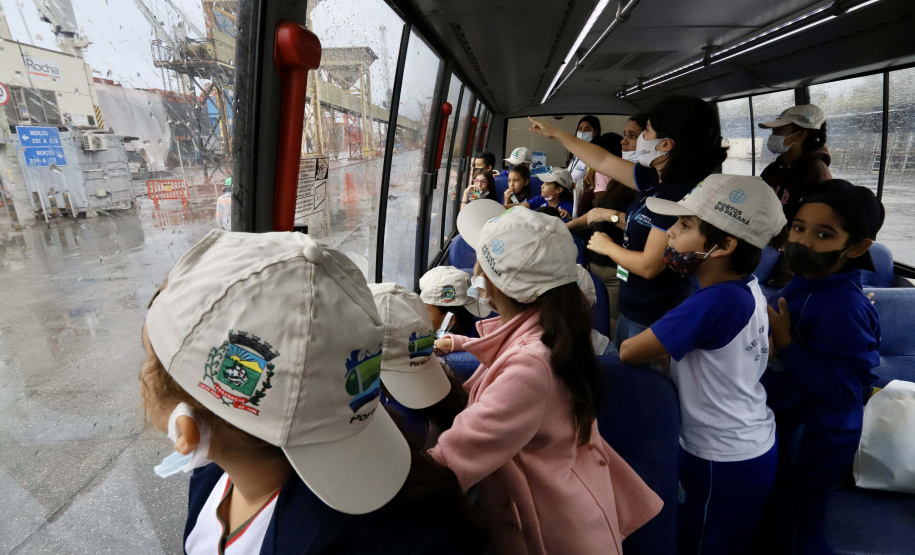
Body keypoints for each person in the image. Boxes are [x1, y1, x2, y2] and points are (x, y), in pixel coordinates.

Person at [142, 230, 485, 554]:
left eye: (148, 359)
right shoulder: (216, 470)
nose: (143, 372)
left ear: (186, 429)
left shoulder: (396, 540)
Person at [432, 200, 663, 555]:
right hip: (570, 514)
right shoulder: (556, 329)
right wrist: (458, 343)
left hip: (553, 538)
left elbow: (450, 462)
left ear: (489, 283)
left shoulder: (530, 369)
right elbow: (508, 344)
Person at [618, 175, 787, 555]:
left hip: (719, 455)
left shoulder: (712, 303)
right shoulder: (747, 288)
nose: (670, 233)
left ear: (724, 245)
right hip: (749, 440)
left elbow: (629, 351)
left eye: (684, 225)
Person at [529, 96, 728, 345]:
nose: (642, 137)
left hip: (653, 313)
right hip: (633, 303)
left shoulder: (679, 195)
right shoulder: (655, 179)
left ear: (665, 144)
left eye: (646, 130)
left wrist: (607, 247)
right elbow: (602, 161)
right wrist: (557, 134)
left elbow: (649, 266)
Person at [754, 180, 883, 555]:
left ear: (856, 248)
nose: (802, 241)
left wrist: (786, 343)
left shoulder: (842, 307)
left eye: (824, 235)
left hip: (814, 438)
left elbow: (844, 391)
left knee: (796, 527)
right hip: (792, 422)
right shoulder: (809, 284)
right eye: (798, 227)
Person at [567, 115, 647, 335]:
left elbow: (642, 225)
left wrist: (609, 216)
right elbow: (594, 214)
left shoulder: (647, 186)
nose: (623, 142)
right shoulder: (620, 181)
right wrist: (565, 227)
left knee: (609, 332)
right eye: (624, 135)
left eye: (632, 136)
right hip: (596, 265)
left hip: (616, 271)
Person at [758, 104, 832, 222]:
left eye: (779, 130)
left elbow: (816, 220)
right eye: (773, 130)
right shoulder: (772, 169)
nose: (772, 135)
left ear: (800, 135)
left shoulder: (816, 171)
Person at [419, 265, 485, 338]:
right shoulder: (477, 331)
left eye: (425, 310)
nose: (419, 315)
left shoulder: (477, 342)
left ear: (450, 319)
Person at [566, 115, 602, 182]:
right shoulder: (575, 152)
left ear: (596, 132)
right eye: (580, 129)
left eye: (587, 129)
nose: (582, 132)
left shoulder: (595, 155)